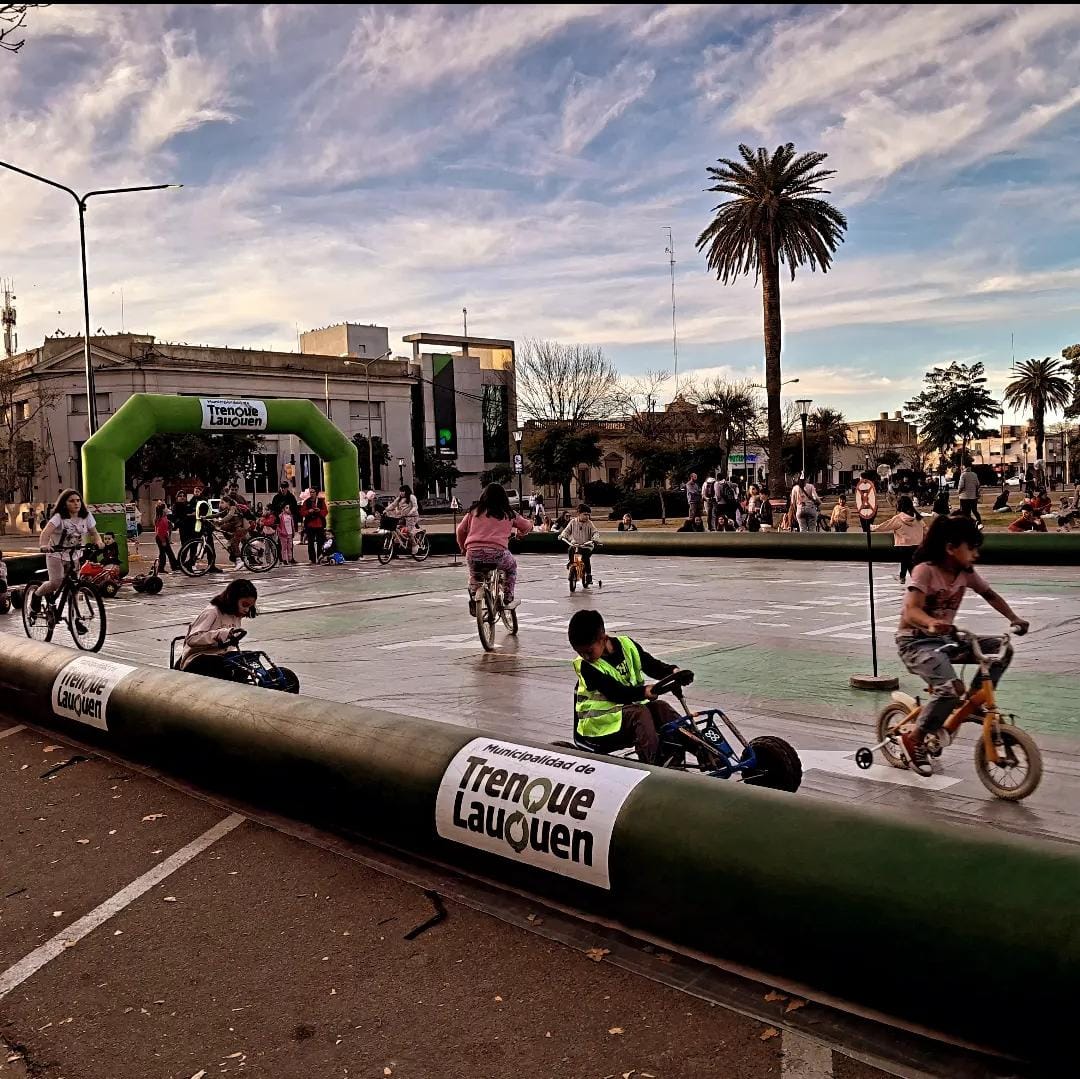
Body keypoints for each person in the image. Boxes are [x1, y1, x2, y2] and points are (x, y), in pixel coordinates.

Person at [895, 515, 1029, 777]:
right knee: (949, 690)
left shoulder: (965, 573)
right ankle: (915, 737)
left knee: (1002, 647)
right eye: (971, 548)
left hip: (946, 641)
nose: (975, 554)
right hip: (915, 642)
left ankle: (975, 698)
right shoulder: (926, 570)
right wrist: (931, 623)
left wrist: (1014, 618)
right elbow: (911, 611)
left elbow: (989, 594)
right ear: (950, 548)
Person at [568, 609, 690, 766]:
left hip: (622, 716)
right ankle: (653, 767)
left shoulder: (627, 645)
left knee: (661, 708)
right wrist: (644, 691)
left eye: (589, 651)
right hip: (599, 726)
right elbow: (615, 692)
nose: (585, 656)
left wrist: (673, 672)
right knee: (640, 714)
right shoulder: (586, 666)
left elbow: (651, 665)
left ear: (603, 639)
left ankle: (705, 753)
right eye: (580, 652)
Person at [455, 482, 533, 614]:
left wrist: (463, 548)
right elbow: (526, 526)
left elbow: (460, 531)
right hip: (497, 554)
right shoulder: (508, 513)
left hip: (473, 552)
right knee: (511, 567)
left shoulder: (474, 511)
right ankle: (508, 597)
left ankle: (474, 595)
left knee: (475, 575)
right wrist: (523, 531)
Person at [35, 489, 103, 609]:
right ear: (64, 503)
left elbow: (94, 532)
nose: (76, 503)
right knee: (56, 583)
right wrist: (44, 545)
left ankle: (75, 618)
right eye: (71, 501)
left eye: (78, 501)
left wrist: (98, 541)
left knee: (74, 586)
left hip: (74, 555)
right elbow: (46, 533)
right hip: (56, 555)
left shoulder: (86, 516)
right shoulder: (59, 517)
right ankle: (36, 595)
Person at [179, 579, 259, 678]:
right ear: (233, 599)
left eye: (249, 606)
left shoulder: (236, 615)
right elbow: (192, 639)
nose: (246, 610)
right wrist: (219, 634)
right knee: (222, 665)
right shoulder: (212, 612)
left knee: (249, 659)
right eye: (244, 605)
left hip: (221, 655)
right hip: (197, 658)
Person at [873, 495, 925, 583]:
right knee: (909, 563)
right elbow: (925, 528)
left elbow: (886, 526)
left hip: (904, 545)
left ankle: (914, 582)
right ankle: (903, 577)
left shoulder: (899, 518)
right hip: (917, 545)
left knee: (907, 562)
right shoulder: (918, 517)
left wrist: (873, 527)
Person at [558, 504, 600, 587]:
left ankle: (588, 575)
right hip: (576, 545)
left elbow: (595, 532)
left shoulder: (589, 523)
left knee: (586, 558)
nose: (587, 516)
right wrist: (562, 536)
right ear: (578, 514)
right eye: (585, 514)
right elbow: (567, 531)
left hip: (586, 546)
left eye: (588, 515)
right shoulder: (573, 522)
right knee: (570, 549)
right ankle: (572, 562)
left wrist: (595, 539)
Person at [300, 488, 330, 564]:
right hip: (310, 525)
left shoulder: (321, 501)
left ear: (316, 493)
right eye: (310, 492)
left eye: (313, 492)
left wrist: (319, 511)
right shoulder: (306, 502)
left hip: (320, 525)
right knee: (310, 543)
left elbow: (326, 512)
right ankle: (312, 559)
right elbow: (302, 512)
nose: (311, 494)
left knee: (320, 542)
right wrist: (308, 511)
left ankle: (320, 557)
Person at [154, 504, 179, 572]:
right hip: (162, 538)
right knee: (167, 553)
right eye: (165, 508)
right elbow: (160, 531)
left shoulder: (161, 518)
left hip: (161, 537)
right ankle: (172, 566)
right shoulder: (162, 519)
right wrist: (163, 541)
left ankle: (164, 567)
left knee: (164, 553)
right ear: (163, 510)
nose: (167, 509)